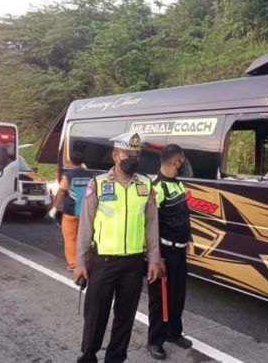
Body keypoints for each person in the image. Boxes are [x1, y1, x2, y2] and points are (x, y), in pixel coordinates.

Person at [73, 132, 165, 363]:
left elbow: (151, 224)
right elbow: (85, 226)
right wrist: (80, 262)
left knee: (125, 318)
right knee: (96, 316)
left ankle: (115, 359)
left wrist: (154, 258)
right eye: (127, 153)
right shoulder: (99, 184)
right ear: (115, 155)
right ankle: (88, 357)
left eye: (136, 154)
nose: (132, 158)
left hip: (133, 263)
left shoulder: (145, 185)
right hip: (103, 261)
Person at [147, 144, 193, 360]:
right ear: (177, 161)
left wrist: (188, 239)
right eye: (183, 160)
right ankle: (155, 340)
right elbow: (151, 226)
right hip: (165, 252)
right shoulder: (157, 188)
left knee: (178, 296)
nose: (184, 164)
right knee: (160, 299)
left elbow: (182, 216)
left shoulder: (179, 185)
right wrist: (157, 257)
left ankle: (174, 333)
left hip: (180, 252)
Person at [50, 150, 91, 270]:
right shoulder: (90, 176)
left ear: (71, 161)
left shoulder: (68, 176)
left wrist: (55, 208)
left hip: (70, 213)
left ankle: (74, 264)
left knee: (70, 238)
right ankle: (85, 261)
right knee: (84, 237)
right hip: (86, 213)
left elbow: (61, 192)